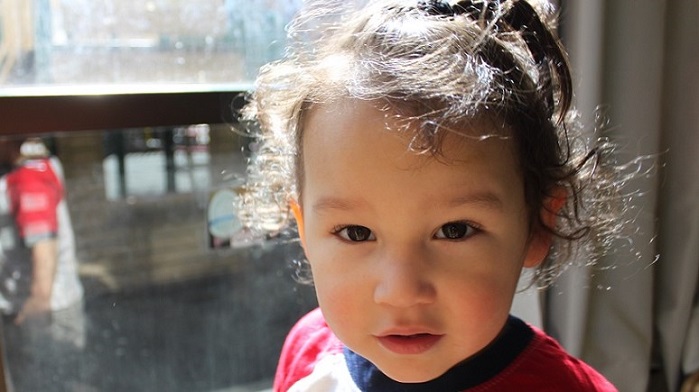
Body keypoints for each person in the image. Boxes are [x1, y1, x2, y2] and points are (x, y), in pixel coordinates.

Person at [238, 0, 623, 390]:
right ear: (304, 229)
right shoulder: (308, 355)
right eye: (356, 232)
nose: (401, 292)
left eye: (454, 230)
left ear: (538, 224)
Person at [0, 136, 85, 390]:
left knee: (46, 382)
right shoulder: (29, 163)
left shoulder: (28, 174)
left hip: (40, 312)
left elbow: (44, 251)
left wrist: (34, 308)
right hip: (38, 306)